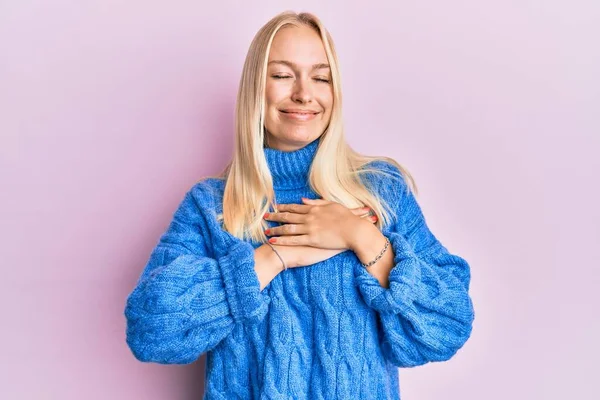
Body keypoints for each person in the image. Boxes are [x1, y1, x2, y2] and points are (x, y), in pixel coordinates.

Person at [124, 10, 475, 400]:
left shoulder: (382, 191)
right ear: (256, 87)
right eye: (282, 75)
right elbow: (151, 331)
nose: (304, 94)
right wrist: (274, 256)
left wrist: (360, 235)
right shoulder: (211, 206)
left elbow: (448, 325)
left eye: (321, 77)